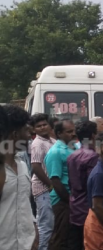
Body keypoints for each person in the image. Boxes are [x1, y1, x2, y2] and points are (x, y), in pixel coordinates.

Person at [0, 105, 38, 250]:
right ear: (15, 134)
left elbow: (24, 203)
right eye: (27, 130)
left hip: (25, 243)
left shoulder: (22, 166)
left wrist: (33, 229)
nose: (30, 135)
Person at [66, 120, 99, 249]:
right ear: (93, 136)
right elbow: (92, 185)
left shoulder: (72, 156)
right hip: (87, 207)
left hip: (75, 205)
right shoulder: (93, 157)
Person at [45, 119, 77, 250]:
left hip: (74, 199)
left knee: (72, 236)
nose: (73, 134)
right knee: (61, 237)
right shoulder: (55, 152)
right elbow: (55, 181)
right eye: (69, 132)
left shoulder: (74, 147)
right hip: (63, 201)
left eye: (73, 131)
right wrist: (69, 200)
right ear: (59, 133)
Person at [30, 113, 57, 250]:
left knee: (53, 224)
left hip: (52, 189)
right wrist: (50, 184)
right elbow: (35, 166)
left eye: (44, 124)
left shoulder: (52, 141)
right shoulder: (38, 143)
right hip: (43, 189)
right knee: (45, 225)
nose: (42, 128)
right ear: (34, 129)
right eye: (38, 126)